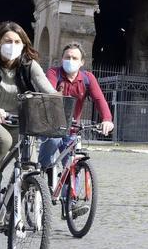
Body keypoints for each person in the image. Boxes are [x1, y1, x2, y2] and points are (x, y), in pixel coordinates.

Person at [0, 22, 58, 217]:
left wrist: (59, 100)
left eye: (17, 41)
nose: (13, 45)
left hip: (17, 121)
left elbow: (47, 89)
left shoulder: (29, 64)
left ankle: (10, 205)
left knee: (29, 163)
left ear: (23, 44)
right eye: (8, 41)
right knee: (3, 141)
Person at [38, 42, 115, 187]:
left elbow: (99, 99)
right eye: (67, 57)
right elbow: (49, 94)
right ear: (62, 59)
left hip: (72, 128)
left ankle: (72, 203)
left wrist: (107, 119)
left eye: (74, 58)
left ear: (82, 62)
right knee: (52, 145)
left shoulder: (88, 78)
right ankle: (41, 174)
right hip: (52, 127)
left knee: (73, 165)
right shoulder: (54, 73)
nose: (70, 61)